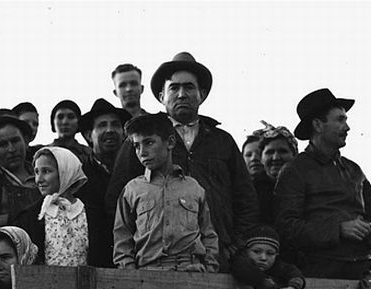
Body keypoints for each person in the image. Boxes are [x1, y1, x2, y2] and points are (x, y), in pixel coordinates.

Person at [106, 52, 258, 271]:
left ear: (202, 94)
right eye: (174, 88)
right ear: (161, 96)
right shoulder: (142, 139)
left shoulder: (222, 140)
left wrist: (234, 243)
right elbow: (117, 202)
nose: (182, 94)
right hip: (151, 266)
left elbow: (246, 199)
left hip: (218, 260)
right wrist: (132, 260)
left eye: (189, 87)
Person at [274, 88, 371, 280]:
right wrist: (339, 230)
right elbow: (286, 228)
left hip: (361, 272)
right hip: (317, 275)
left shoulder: (355, 171)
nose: (347, 127)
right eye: (340, 120)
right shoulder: (295, 170)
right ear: (318, 125)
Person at [113, 113, 219, 272]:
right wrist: (131, 275)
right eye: (136, 146)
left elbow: (209, 235)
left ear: (170, 142)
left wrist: (208, 269)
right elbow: (122, 239)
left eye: (149, 143)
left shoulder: (193, 188)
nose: (142, 152)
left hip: (191, 272)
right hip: (148, 274)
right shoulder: (132, 190)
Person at [15, 146, 111, 267]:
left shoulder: (93, 214)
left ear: (65, 172)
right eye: (37, 172)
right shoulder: (30, 217)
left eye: (46, 171)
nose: (39, 179)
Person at [0, 114, 42, 227]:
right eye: (3, 145)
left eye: (15, 141)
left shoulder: (45, 174)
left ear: (26, 142)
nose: (11, 149)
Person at [231, 225, 305, 289]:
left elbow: (292, 271)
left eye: (270, 253)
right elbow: (247, 271)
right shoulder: (238, 262)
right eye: (256, 251)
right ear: (246, 251)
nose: (263, 258)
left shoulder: (276, 265)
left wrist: (293, 287)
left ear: (276, 255)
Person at [251, 121, 299, 224]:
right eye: (270, 152)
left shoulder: (306, 185)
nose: (276, 158)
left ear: (294, 155)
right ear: (261, 158)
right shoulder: (251, 190)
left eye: (282, 151)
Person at [79, 98, 131, 175]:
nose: (109, 130)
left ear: (124, 134)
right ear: (89, 136)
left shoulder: (137, 170)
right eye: (102, 125)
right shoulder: (80, 175)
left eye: (115, 125)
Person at [48, 99, 94, 164]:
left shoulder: (90, 155)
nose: (65, 122)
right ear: (53, 122)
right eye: (60, 117)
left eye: (71, 117)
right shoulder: (41, 152)